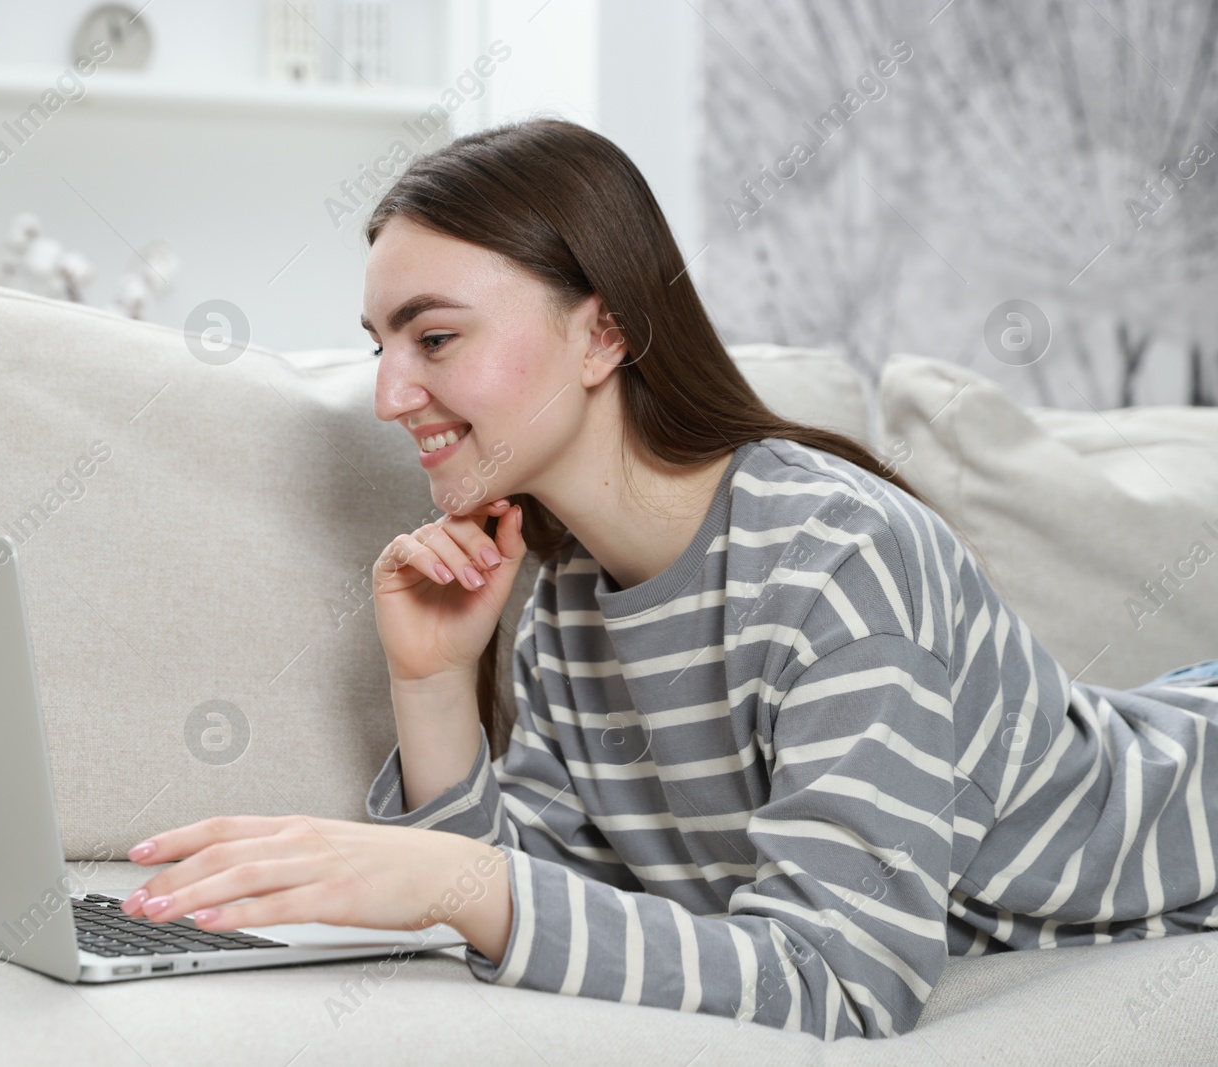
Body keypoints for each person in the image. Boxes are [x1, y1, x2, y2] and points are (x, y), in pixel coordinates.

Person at [115, 118, 1218, 1040]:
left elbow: (841, 979)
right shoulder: (564, 603)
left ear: (605, 332)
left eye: (435, 337)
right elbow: (541, 894)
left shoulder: (833, 558)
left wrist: (442, 882)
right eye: (378, 347)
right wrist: (435, 682)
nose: (390, 394)